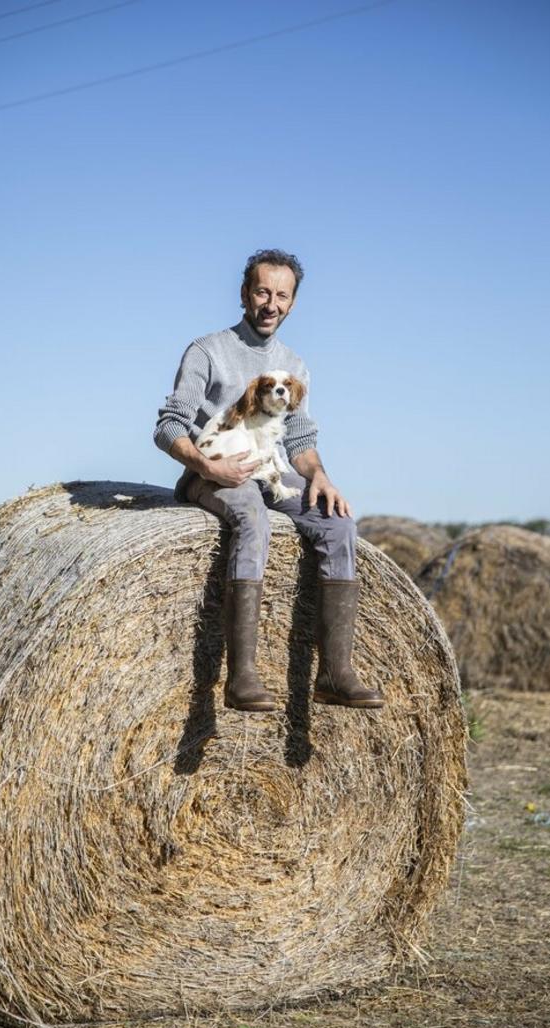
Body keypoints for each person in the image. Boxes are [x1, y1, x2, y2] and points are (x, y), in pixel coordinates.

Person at [153, 248, 382, 712]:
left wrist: (320, 477)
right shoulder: (207, 351)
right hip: (213, 473)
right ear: (244, 294)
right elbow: (169, 426)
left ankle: (335, 673)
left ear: (293, 303)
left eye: (282, 295)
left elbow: (299, 438)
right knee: (251, 516)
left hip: (269, 473)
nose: (270, 304)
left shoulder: (293, 365)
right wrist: (206, 467)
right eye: (262, 292)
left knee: (338, 524)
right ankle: (243, 677)